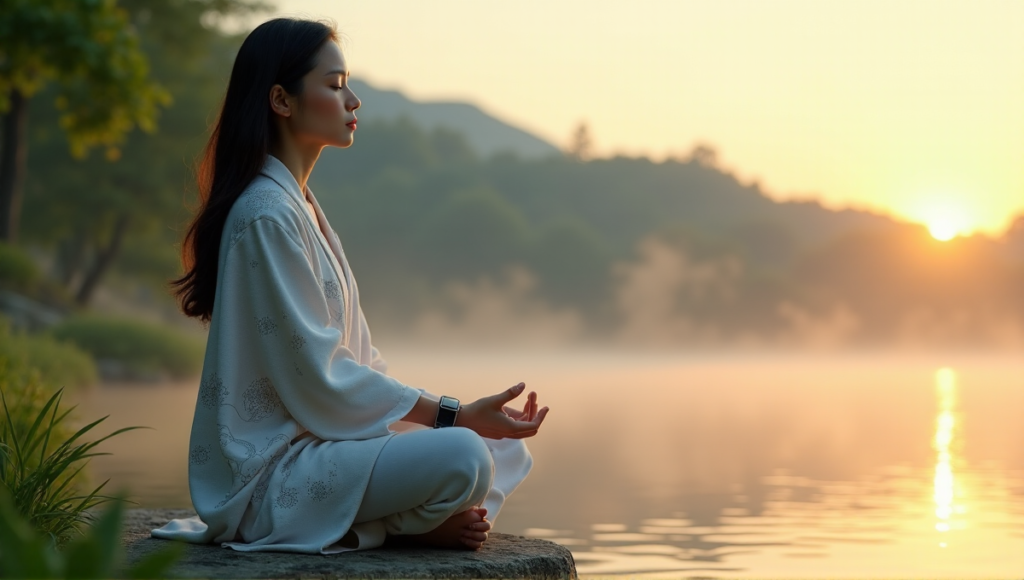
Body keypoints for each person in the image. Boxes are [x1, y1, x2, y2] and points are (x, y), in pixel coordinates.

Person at [151, 17, 548, 554]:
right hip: (274, 475)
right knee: (465, 455)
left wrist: (463, 419)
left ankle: (414, 520)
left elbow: (358, 363)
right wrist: (452, 414)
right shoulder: (266, 214)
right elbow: (322, 377)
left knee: (501, 450)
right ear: (281, 100)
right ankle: (408, 527)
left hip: (330, 443)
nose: (353, 100)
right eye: (336, 86)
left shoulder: (302, 209)